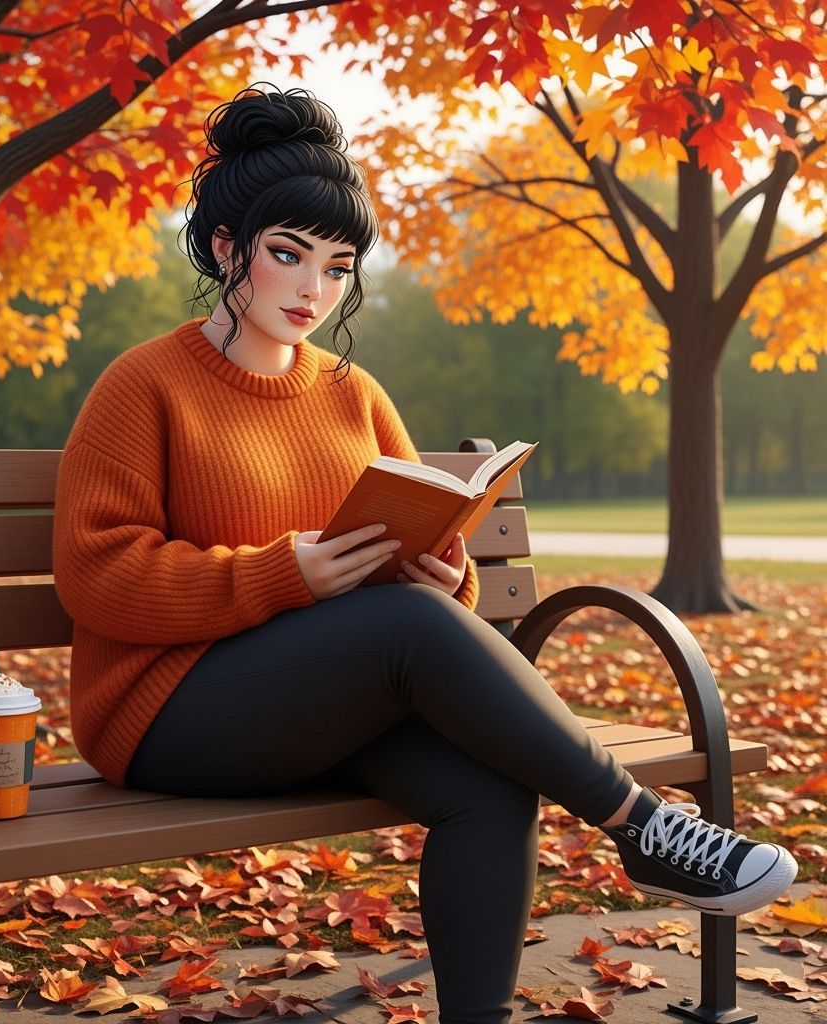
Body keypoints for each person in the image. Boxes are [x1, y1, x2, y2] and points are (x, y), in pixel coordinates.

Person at [53, 84, 797, 1024]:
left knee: (490, 787)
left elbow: (428, 545)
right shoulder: (145, 384)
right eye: (286, 255)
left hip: (324, 702)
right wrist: (285, 572)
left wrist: (448, 575)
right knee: (407, 624)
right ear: (224, 247)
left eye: (335, 266)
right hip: (166, 711)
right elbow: (96, 574)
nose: (311, 290)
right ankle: (643, 825)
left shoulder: (354, 393)